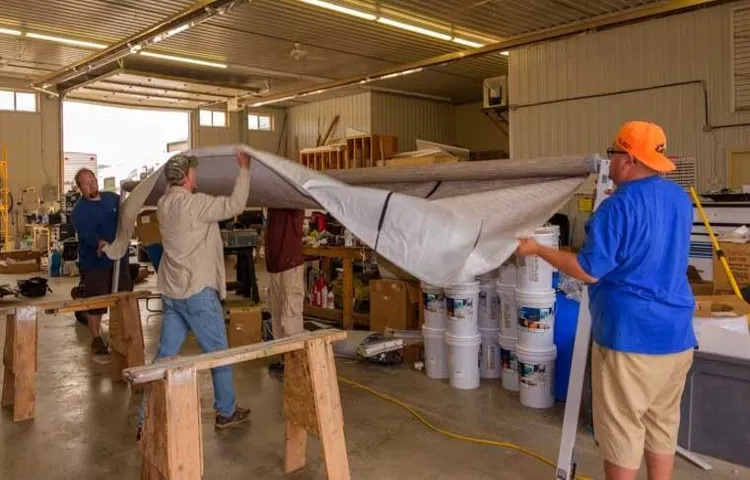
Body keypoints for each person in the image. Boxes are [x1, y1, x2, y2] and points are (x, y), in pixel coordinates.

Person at [516, 121, 696, 480]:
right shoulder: (679, 198)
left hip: (631, 340)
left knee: (622, 432)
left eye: (613, 153)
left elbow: (588, 270)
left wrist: (537, 249)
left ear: (628, 158)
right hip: (676, 336)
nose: (609, 161)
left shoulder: (617, 208)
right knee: (662, 424)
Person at [137, 150, 252, 437]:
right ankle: (226, 411)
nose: (196, 175)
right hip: (197, 292)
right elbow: (236, 204)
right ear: (187, 176)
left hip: (173, 292)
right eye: (193, 171)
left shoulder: (163, 205)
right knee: (218, 354)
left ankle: (144, 418)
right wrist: (244, 169)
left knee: (165, 356)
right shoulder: (196, 205)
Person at [70, 168, 133, 355]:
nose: (92, 185)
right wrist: (100, 242)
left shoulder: (112, 199)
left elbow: (126, 214)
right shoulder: (79, 211)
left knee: (124, 297)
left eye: (93, 180)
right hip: (95, 263)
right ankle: (96, 338)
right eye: (87, 183)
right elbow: (87, 234)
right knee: (97, 302)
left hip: (119, 259)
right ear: (80, 188)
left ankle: (124, 333)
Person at [265, 208, 305, 374]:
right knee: (277, 314)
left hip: (290, 263)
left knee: (290, 316)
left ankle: (296, 363)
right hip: (275, 265)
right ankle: (284, 360)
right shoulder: (273, 200)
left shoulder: (290, 197)